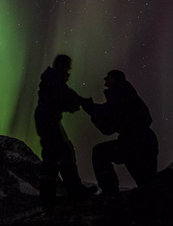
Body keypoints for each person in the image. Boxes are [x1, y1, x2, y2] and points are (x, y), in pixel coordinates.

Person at [82, 69, 158, 194]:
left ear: (115, 79)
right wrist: (93, 111)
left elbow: (109, 113)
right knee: (147, 183)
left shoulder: (121, 91)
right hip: (141, 142)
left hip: (136, 143)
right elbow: (108, 127)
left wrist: (92, 108)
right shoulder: (126, 93)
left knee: (100, 152)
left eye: (108, 77)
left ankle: (110, 193)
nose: (105, 79)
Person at [34, 54, 95, 206]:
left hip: (47, 119)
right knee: (62, 152)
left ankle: (51, 195)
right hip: (48, 120)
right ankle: (74, 192)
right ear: (63, 65)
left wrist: (76, 101)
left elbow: (63, 96)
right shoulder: (54, 78)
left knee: (53, 155)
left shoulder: (52, 78)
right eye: (68, 67)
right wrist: (80, 102)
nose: (69, 71)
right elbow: (63, 95)